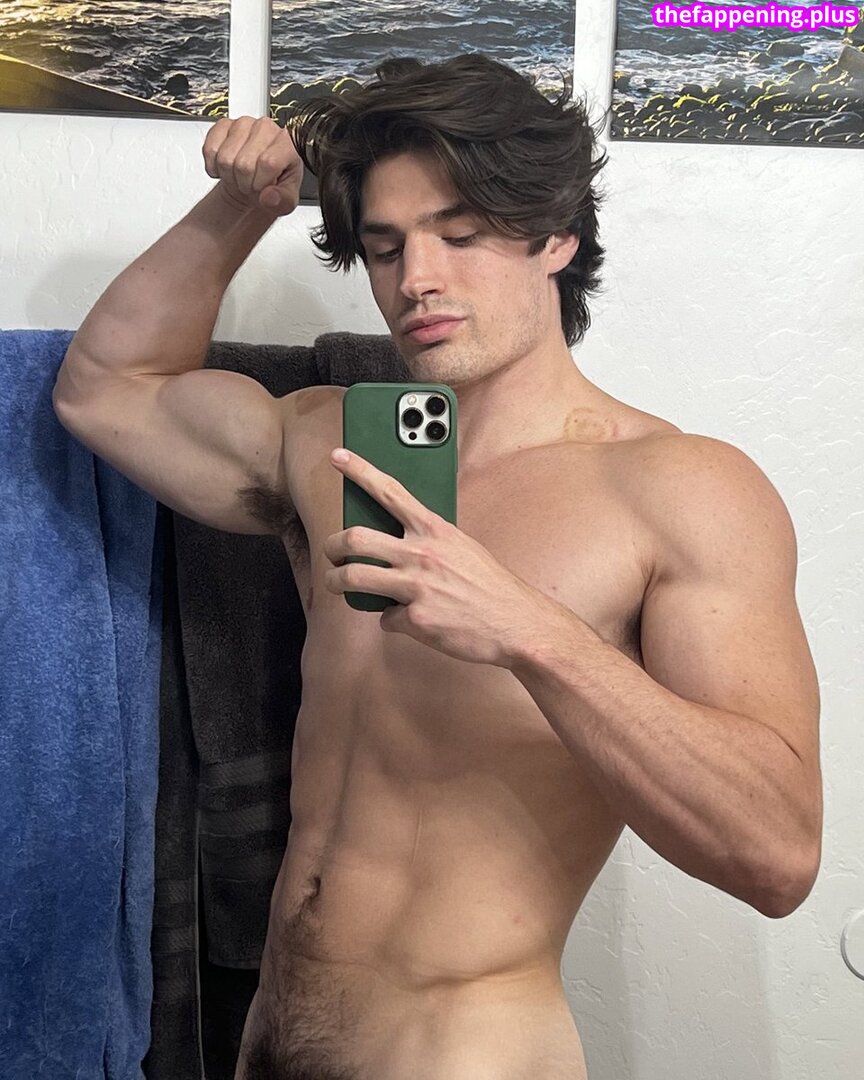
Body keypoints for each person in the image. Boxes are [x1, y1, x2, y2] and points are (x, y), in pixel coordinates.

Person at [53, 53, 822, 1080]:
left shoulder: (677, 489)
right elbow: (105, 390)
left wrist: (530, 630)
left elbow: (777, 854)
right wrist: (241, 209)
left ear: (556, 235)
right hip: (266, 1043)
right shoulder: (332, 445)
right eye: (385, 248)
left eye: (458, 236)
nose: (416, 279)